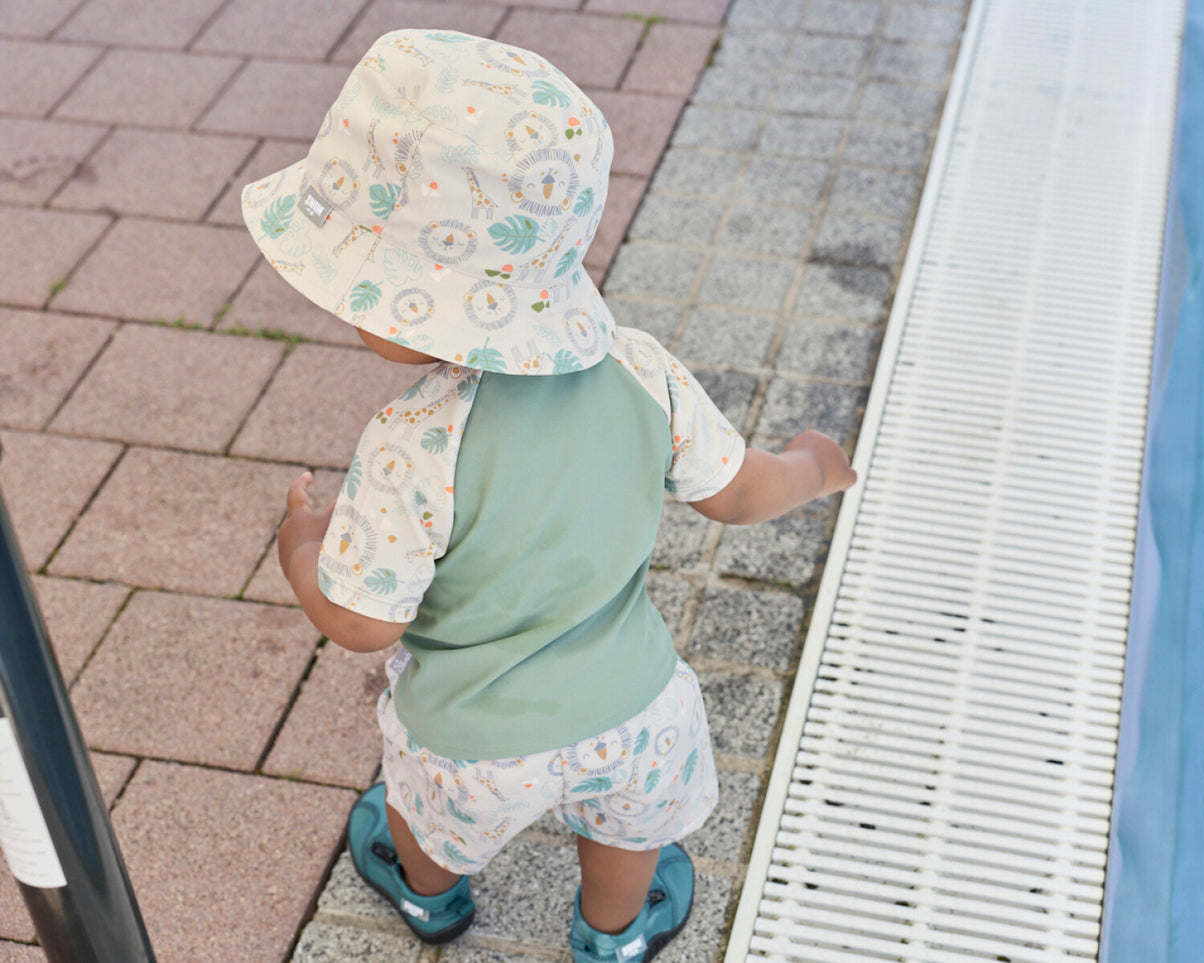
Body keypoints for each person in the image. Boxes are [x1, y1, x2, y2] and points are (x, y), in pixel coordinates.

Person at [243, 29, 855, 961]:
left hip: (470, 745)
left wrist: (300, 543)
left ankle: (428, 896)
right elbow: (738, 493)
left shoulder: (415, 440)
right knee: (627, 832)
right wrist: (813, 462)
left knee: (423, 817)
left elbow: (364, 622)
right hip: (635, 712)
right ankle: (614, 931)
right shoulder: (639, 370)